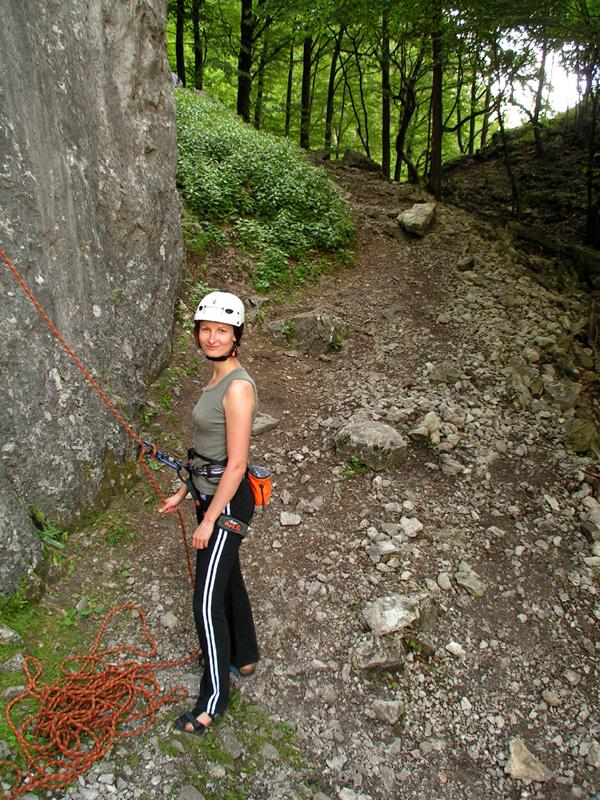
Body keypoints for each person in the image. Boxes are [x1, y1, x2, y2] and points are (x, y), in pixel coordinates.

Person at [158, 291, 260, 735]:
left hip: (228, 503)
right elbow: (205, 451)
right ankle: (245, 655)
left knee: (205, 601)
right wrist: (184, 489)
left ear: (236, 336)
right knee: (228, 579)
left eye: (222, 330)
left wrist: (208, 520)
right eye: (206, 329)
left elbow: (236, 464)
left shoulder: (237, 387)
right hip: (206, 494)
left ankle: (212, 701)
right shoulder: (214, 379)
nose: (212, 337)